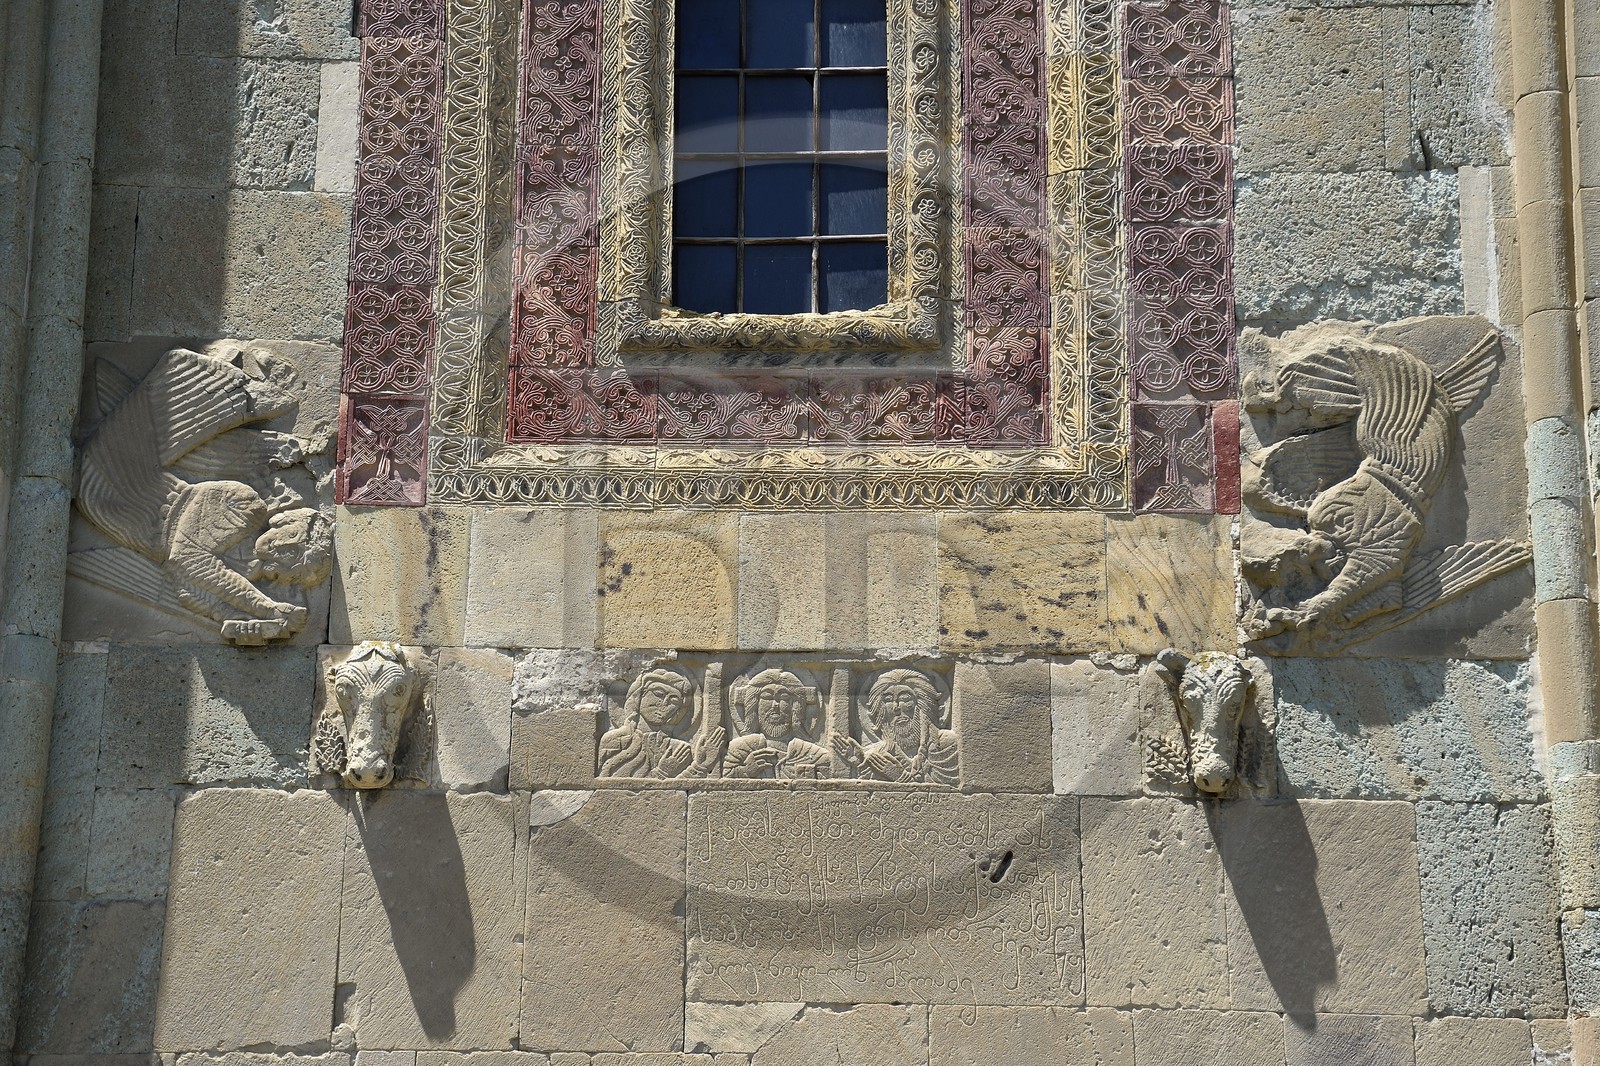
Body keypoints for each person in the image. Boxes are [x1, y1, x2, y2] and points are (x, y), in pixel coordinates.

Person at [832, 668, 958, 785]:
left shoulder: (943, 744)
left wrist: (900, 776)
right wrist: (860, 762)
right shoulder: (878, 752)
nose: (896, 707)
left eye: (905, 699)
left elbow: (946, 790)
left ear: (923, 704)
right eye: (888, 700)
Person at [598, 666, 725, 779]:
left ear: (678, 711)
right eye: (658, 693)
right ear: (640, 694)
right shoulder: (615, 740)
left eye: (674, 700)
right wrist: (662, 773)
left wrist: (701, 766)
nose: (664, 703)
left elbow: (678, 790)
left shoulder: (678, 749)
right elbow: (608, 784)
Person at [724, 668, 831, 780]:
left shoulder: (814, 754)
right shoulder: (739, 748)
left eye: (784, 697)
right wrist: (745, 771)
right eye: (767, 697)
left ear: (795, 706)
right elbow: (725, 776)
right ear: (754, 706)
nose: (775, 704)